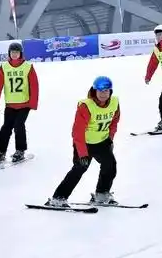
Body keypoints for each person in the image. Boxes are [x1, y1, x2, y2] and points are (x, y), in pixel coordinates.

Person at [46, 76, 120, 207]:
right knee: (79, 168)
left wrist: (110, 139)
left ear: (110, 92)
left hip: (102, 142)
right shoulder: (86, 106)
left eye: (106, 91)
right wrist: (82, 154)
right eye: (100, 91)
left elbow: (114, 122)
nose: (103, 94)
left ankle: (102, 194)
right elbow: (77, 132)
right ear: (94, 91)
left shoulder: (114, 103)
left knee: (110, 165)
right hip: (83, 143)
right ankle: (58, 198)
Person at [0, 42, 39, 164]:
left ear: (21, 53)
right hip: (10, 104)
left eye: (17, 52)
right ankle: (1, 151)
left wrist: (33, 103)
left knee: (19, 125)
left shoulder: (28, 67)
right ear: (9, 53)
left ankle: (20, 150)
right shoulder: (4, 67)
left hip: (24, 103)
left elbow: (34, 86)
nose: (14, 54)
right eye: (12, 52)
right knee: (6, 127)